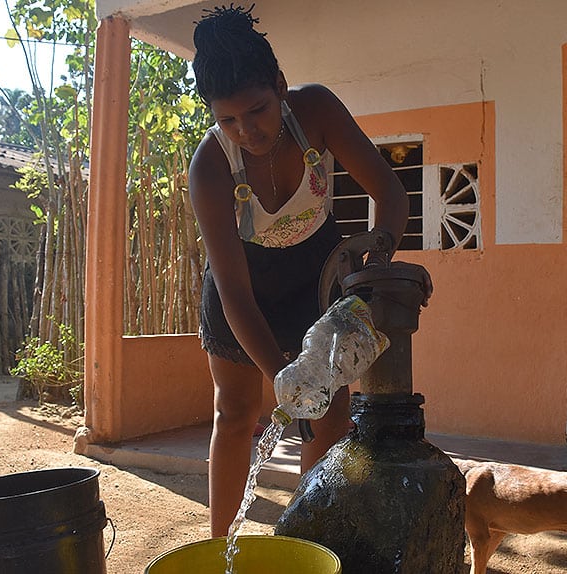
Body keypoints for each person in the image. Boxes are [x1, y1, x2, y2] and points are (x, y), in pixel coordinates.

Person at [188, 4, 408, 537]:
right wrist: (284, 377)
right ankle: (223, 553)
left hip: (318, 276)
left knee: (326, 419)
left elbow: (392, 195)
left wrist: (371, 273)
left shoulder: (317, 112)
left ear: (281, 87)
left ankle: (307, 543)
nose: (247, 129)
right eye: (228, 119)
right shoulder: (210, 168)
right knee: (236, 414)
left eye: (257, 110)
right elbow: (236, 294)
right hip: (245, 291)